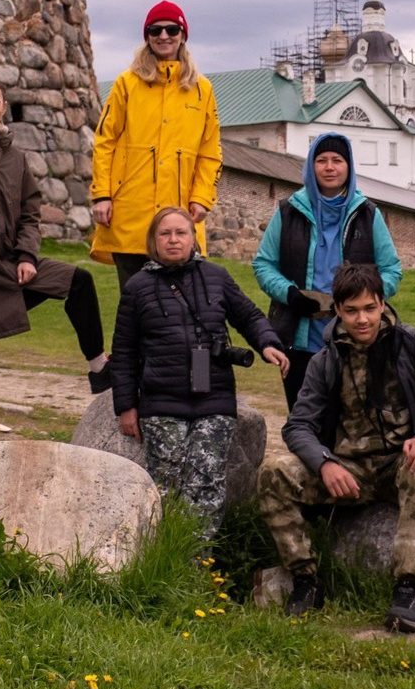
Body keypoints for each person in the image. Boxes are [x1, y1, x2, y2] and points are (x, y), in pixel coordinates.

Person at [257, 263, 415, 634]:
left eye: (370, 308)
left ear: (382, 304)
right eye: (352, 310)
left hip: (401, 462)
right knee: (272, 473)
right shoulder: (325, 360)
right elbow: (298, 425)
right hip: (349, 471)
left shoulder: (410, 342)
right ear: (337, 310)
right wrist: (324, 463)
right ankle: (306, 581)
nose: (362, 319)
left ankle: (408, 591)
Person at [0, 76, 110, 453]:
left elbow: (30, 210)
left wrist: (28, 255)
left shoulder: (14, 156)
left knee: (78, 281)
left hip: (10, 264)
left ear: (4, 106)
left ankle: (99, 367)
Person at [110, 206, 289, 536]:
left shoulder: (216, 277)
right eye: (165, 234)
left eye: (181, 233)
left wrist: (267, 343)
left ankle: (199, 556)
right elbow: (124, 351)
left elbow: (249, 316)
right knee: (165, 486)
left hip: (214, 399)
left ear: (193, 238)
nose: (173, 239)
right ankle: (164, 553)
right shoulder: (137, 287)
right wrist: (126, 406)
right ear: (153, 241)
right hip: (161, 403)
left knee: (207, 483)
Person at [253, 132, 402, 409]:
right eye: (321, 160)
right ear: (311, 166)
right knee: (304, 417)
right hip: (299, 337)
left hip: (355, 338)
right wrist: (290, 294)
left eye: (337, 160)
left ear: (349, 167)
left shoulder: (368, 213)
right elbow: (263, 264)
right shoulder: (288, 211)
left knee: (352, 419)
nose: (329, 167)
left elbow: (391, 270)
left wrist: (363, 299)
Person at [91, 0, 222, 288]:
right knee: (133, 299)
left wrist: (202, 198)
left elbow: (210, 152)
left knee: (183, 302)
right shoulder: (126, 83)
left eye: (172, 29)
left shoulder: (202, 89)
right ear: (147, 36)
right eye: (155, 30)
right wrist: (101, 195)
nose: (164, 36)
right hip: (130, 212)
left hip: (180, 214)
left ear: (182, 35)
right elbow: (104, 141)